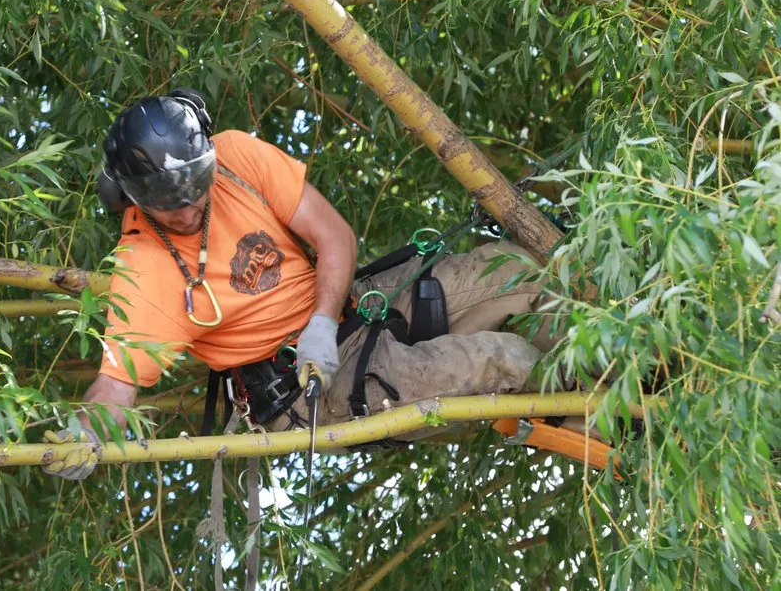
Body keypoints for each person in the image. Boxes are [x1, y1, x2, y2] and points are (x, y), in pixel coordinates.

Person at [42, 89, 554, 480]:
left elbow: (334, 236)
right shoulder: (143, 271)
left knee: (515, 270)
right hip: (302, 389)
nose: (189, 208)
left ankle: (600, 349)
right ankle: (593, 405)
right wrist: (85, 434)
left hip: (349, 311)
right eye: (168, 203)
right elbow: (115, 388)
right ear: (131, 197)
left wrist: (321, 324)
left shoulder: (238, 159)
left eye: (197, 187)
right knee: (503, 358)